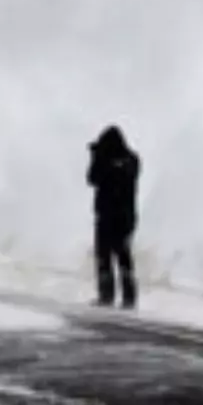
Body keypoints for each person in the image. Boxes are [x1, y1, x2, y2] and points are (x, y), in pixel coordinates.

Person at [87, 124, 140, 309]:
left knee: (107, 256)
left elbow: (93, 178)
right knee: (120, 256)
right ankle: (127, 297)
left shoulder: (117, 162)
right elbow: (92, 179)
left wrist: (97, 157)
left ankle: (108, 295)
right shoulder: (132, 160)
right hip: (124, 217)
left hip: (111, 215)